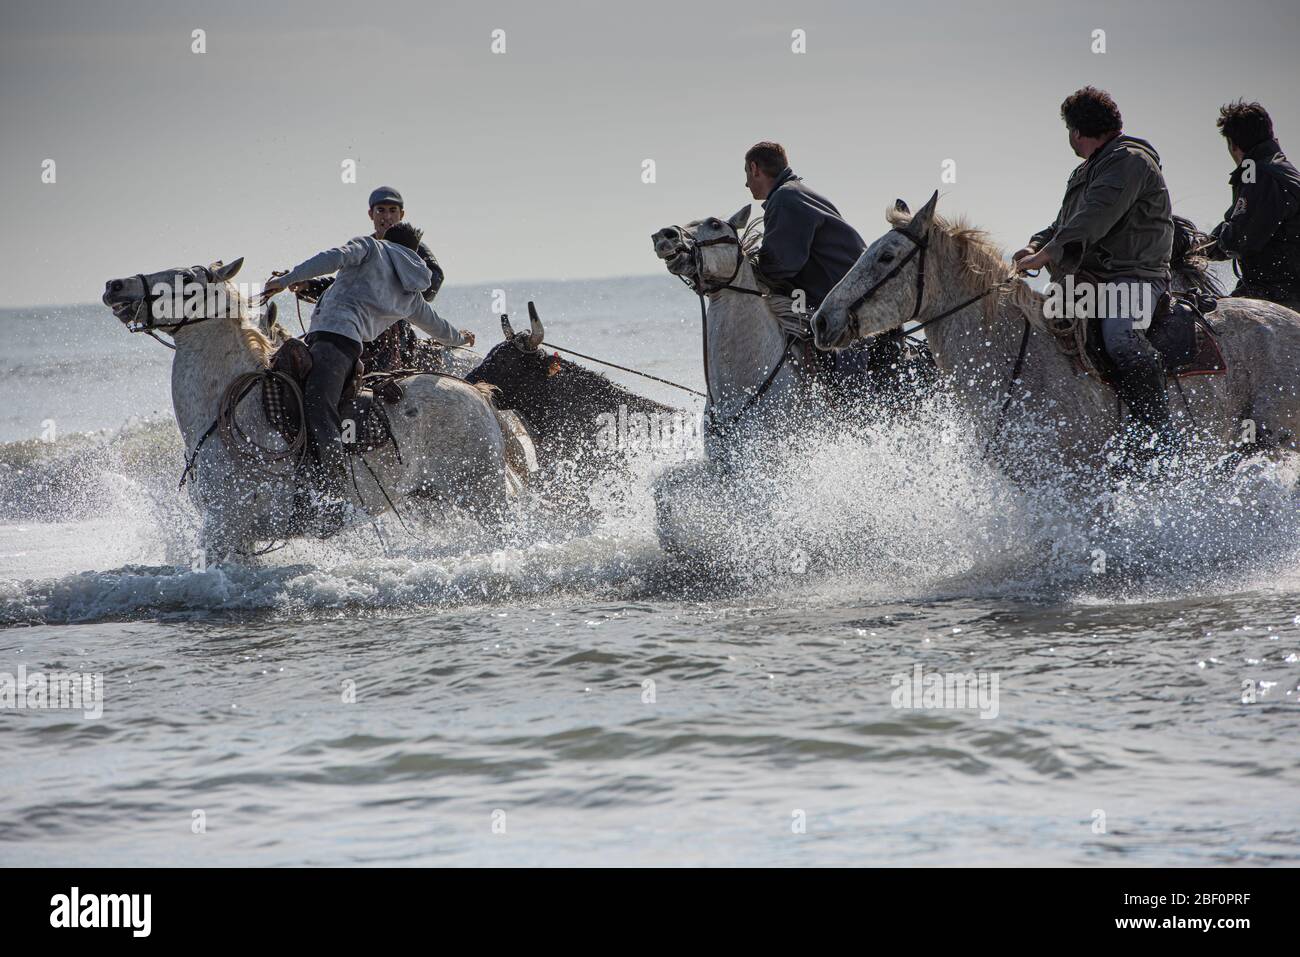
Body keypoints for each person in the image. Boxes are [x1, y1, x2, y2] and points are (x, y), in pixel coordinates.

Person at [262, 222, 475, 533]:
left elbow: (332, 257)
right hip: (343, 347)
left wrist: (288, 278)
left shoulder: (370, 247)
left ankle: (329, 497)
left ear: (385, 239)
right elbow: (437, 326)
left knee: (318, 408)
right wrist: (461, 338)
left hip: (333, 340)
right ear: (415, 253)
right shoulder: (412, 292)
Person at [1012, 87, 1177, 467]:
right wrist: (1035, 243)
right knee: (1040, 329)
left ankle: (1156, 436)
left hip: (1134, 276)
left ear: (1075, 132)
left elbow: (1093, 219)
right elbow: (1063, 223)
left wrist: (1047, 254)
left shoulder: (1128, 161)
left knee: (1121, 336)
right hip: (1094, 277)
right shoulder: (1088, 170)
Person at [743, 142, 890, 385]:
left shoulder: (785, 198)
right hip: (855, 295)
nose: (746, 184)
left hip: (848, 303)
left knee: (847, 393)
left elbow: (781, 265)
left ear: (754, 168)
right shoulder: (797, 193)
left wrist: (741, 271)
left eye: (746, 174)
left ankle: (851, 414)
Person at [292, 186, 450, 371]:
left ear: (402, 214)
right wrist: (308, 285)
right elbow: (342, 285)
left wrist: (402, 296)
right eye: (381, 210)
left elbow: (435, 278)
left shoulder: (413, 248)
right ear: (371, 214)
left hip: (395, 325)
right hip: (360, 323)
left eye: (393, 211)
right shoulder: (366, 248)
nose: (387, 216)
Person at [1204, 100, 1300, 310]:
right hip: (1279, 287)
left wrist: (1198, 250)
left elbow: (1239, 238)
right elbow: (1239, 222)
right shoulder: (1277, 169)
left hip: (1280, 293)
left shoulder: (1261, 175)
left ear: (1233, 145)